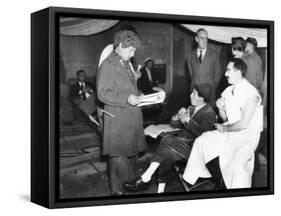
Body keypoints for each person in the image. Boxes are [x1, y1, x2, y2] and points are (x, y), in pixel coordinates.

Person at [182, 58, 263, 190]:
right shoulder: (228, 91)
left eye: (228, 70)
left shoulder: (252, 94)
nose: (225, 74)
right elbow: (225, 117)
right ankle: (212, 177)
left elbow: (243, 124)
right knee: (202, 140)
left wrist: (225, 128)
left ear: (238, 72)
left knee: (236, 162)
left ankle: (230, 187)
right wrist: (221, 108)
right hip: (230, 131)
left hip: (246, 137)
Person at [123, 84, 216, 193]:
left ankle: (146, 178)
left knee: (167, 140)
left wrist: (188, 121)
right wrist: (176, 117)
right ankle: (160, 190)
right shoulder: (191, 108)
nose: (190, 95)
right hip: (181, 145)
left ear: (202, 97)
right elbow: (175, 125)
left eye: (194, 93)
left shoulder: (209, 113)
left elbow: (205, 135)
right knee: (167, 153)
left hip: (195, 150)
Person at [96, 29, 146, 195]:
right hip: (118, 119)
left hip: (130, 117)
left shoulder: (125, 63)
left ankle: (128, 186)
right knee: (118, 158)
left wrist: (139, 95)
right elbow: (103, 93)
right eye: (131, 50)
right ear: (122, 46)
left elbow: (127, 87)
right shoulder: (108, 64)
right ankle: (118, 194)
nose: (133, 55)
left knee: (129, 156)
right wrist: (126, 98)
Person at [187, 28, 222, 106]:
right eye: (202, 38)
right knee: (195, 115)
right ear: (196, 39)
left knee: (208, 115)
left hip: (209, 93)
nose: (204, 41)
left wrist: (211, 87)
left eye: (206, 38)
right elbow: (191, 73)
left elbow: (218, 74)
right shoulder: (190, 55)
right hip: (194, 93)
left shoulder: (214, 54)